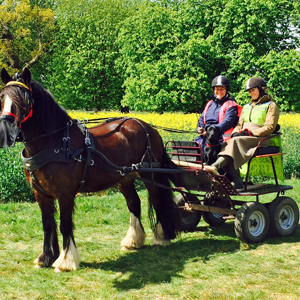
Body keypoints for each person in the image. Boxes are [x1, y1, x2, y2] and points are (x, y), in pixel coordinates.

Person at [204, 77, 280, 189]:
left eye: (253, 90)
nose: (251, 93)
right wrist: (235, 132)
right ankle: (237, 180)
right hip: (245, 137)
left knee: (235, 142)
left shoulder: (271, 105)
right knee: (229, 142)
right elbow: (239, 125)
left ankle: (213, 167)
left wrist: (250, 133)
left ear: (261, 89)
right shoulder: (246, 107)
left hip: (260, 138)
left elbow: (269, 127)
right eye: (249, 91)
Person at [195, 75, 240, 153]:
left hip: (220, 139)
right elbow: (202, 118)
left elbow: (227, 122)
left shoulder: (231, 105)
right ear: (213, 90)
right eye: (217, 89)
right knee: (191, 149)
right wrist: (200, 128)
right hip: (206, 137)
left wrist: (210, 131)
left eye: (222, 89)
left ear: (226, 90)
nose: (219, 92)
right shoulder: (210, 103)